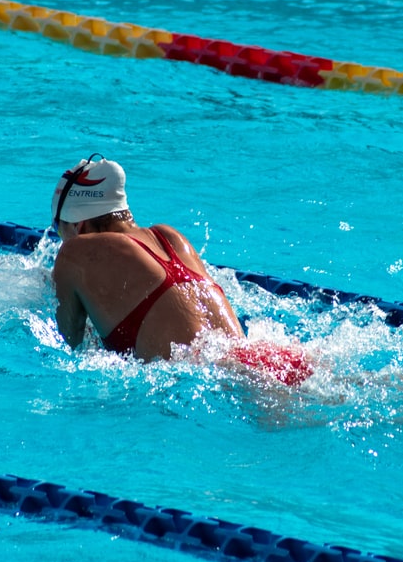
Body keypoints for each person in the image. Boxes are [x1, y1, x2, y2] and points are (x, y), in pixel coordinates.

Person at [50, 154, 313, 387]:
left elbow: (70, 347)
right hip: (270, 360)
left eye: (61, 230)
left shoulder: (75, 252)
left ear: (79, 226)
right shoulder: (171, 237)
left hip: (230, 381)